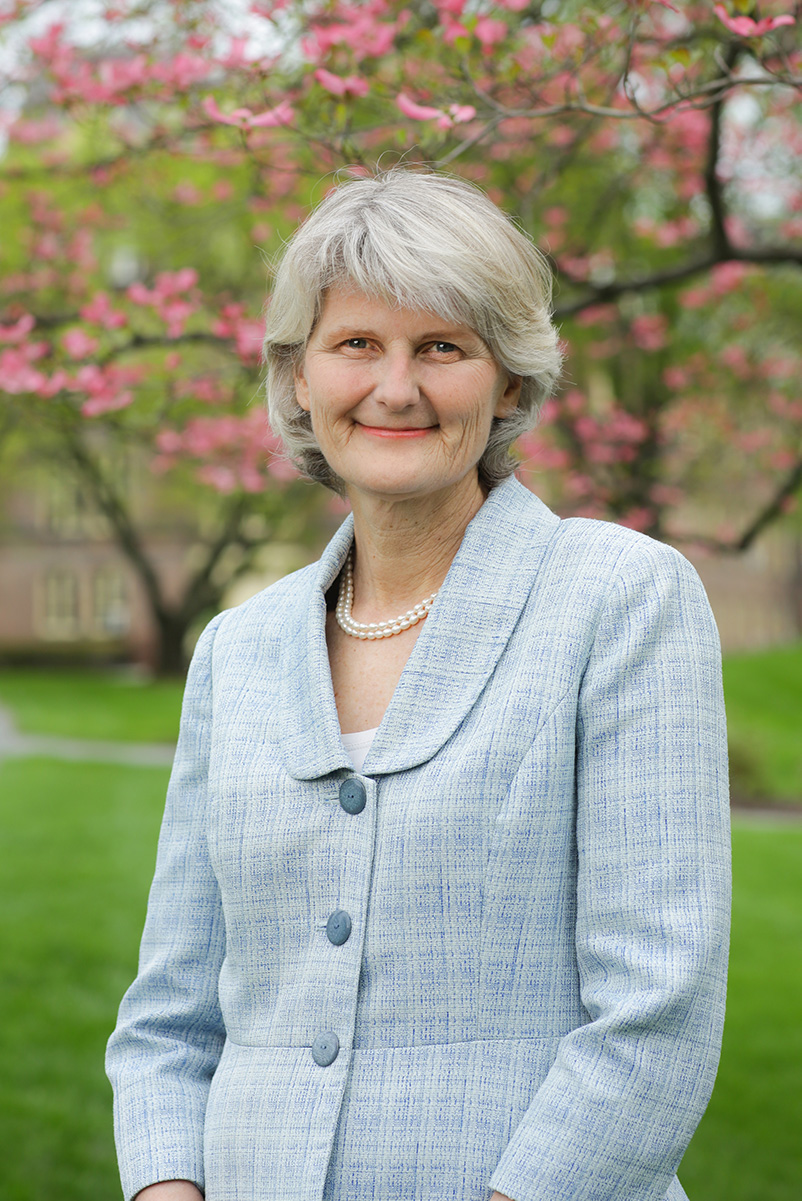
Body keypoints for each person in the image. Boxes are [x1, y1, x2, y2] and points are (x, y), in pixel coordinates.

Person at [106, 168, 731, 1201]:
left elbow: (656, 1011)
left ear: (512, 383)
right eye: (356, 344)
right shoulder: (236, 648)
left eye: (441, 347)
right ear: (299, 377)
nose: (394, 388)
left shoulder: (620, 599)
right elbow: (171, 1013)